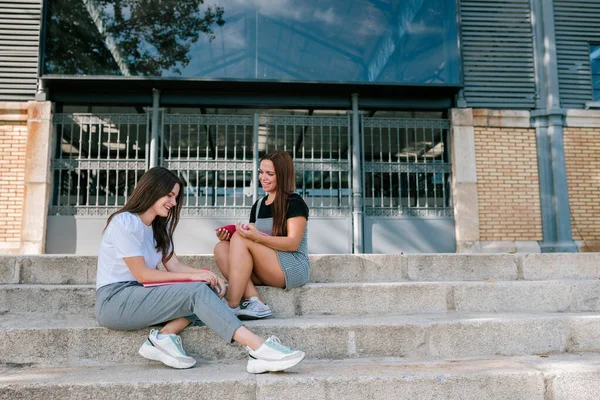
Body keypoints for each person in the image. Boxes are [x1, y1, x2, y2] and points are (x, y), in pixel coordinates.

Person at [95, 166, 305, 373]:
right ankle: (258, 347)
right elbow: (143, 274)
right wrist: (194, 277)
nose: (173, 203)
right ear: (151, 190)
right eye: (169, 196)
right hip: (115, 300)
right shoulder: (125, 222)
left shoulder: (160, 228)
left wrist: (206, 277)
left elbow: (174, 266)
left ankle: (164, 337)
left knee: (206, 287)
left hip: (140, 294)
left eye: (175, 197)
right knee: (196, 289)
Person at [214, 150, 310, 320]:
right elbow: (248, 239)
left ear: (282, 174)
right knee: (222, 248)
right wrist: (229, 238)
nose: (263, 177)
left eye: (269, 174)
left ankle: (231, 303)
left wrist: (256, 237)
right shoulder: (258, 205)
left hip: (292, 266)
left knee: (240, 237)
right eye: (261, 172)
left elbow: (293, 243)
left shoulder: (294, 202)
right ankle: (255, 301)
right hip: (267, 266)